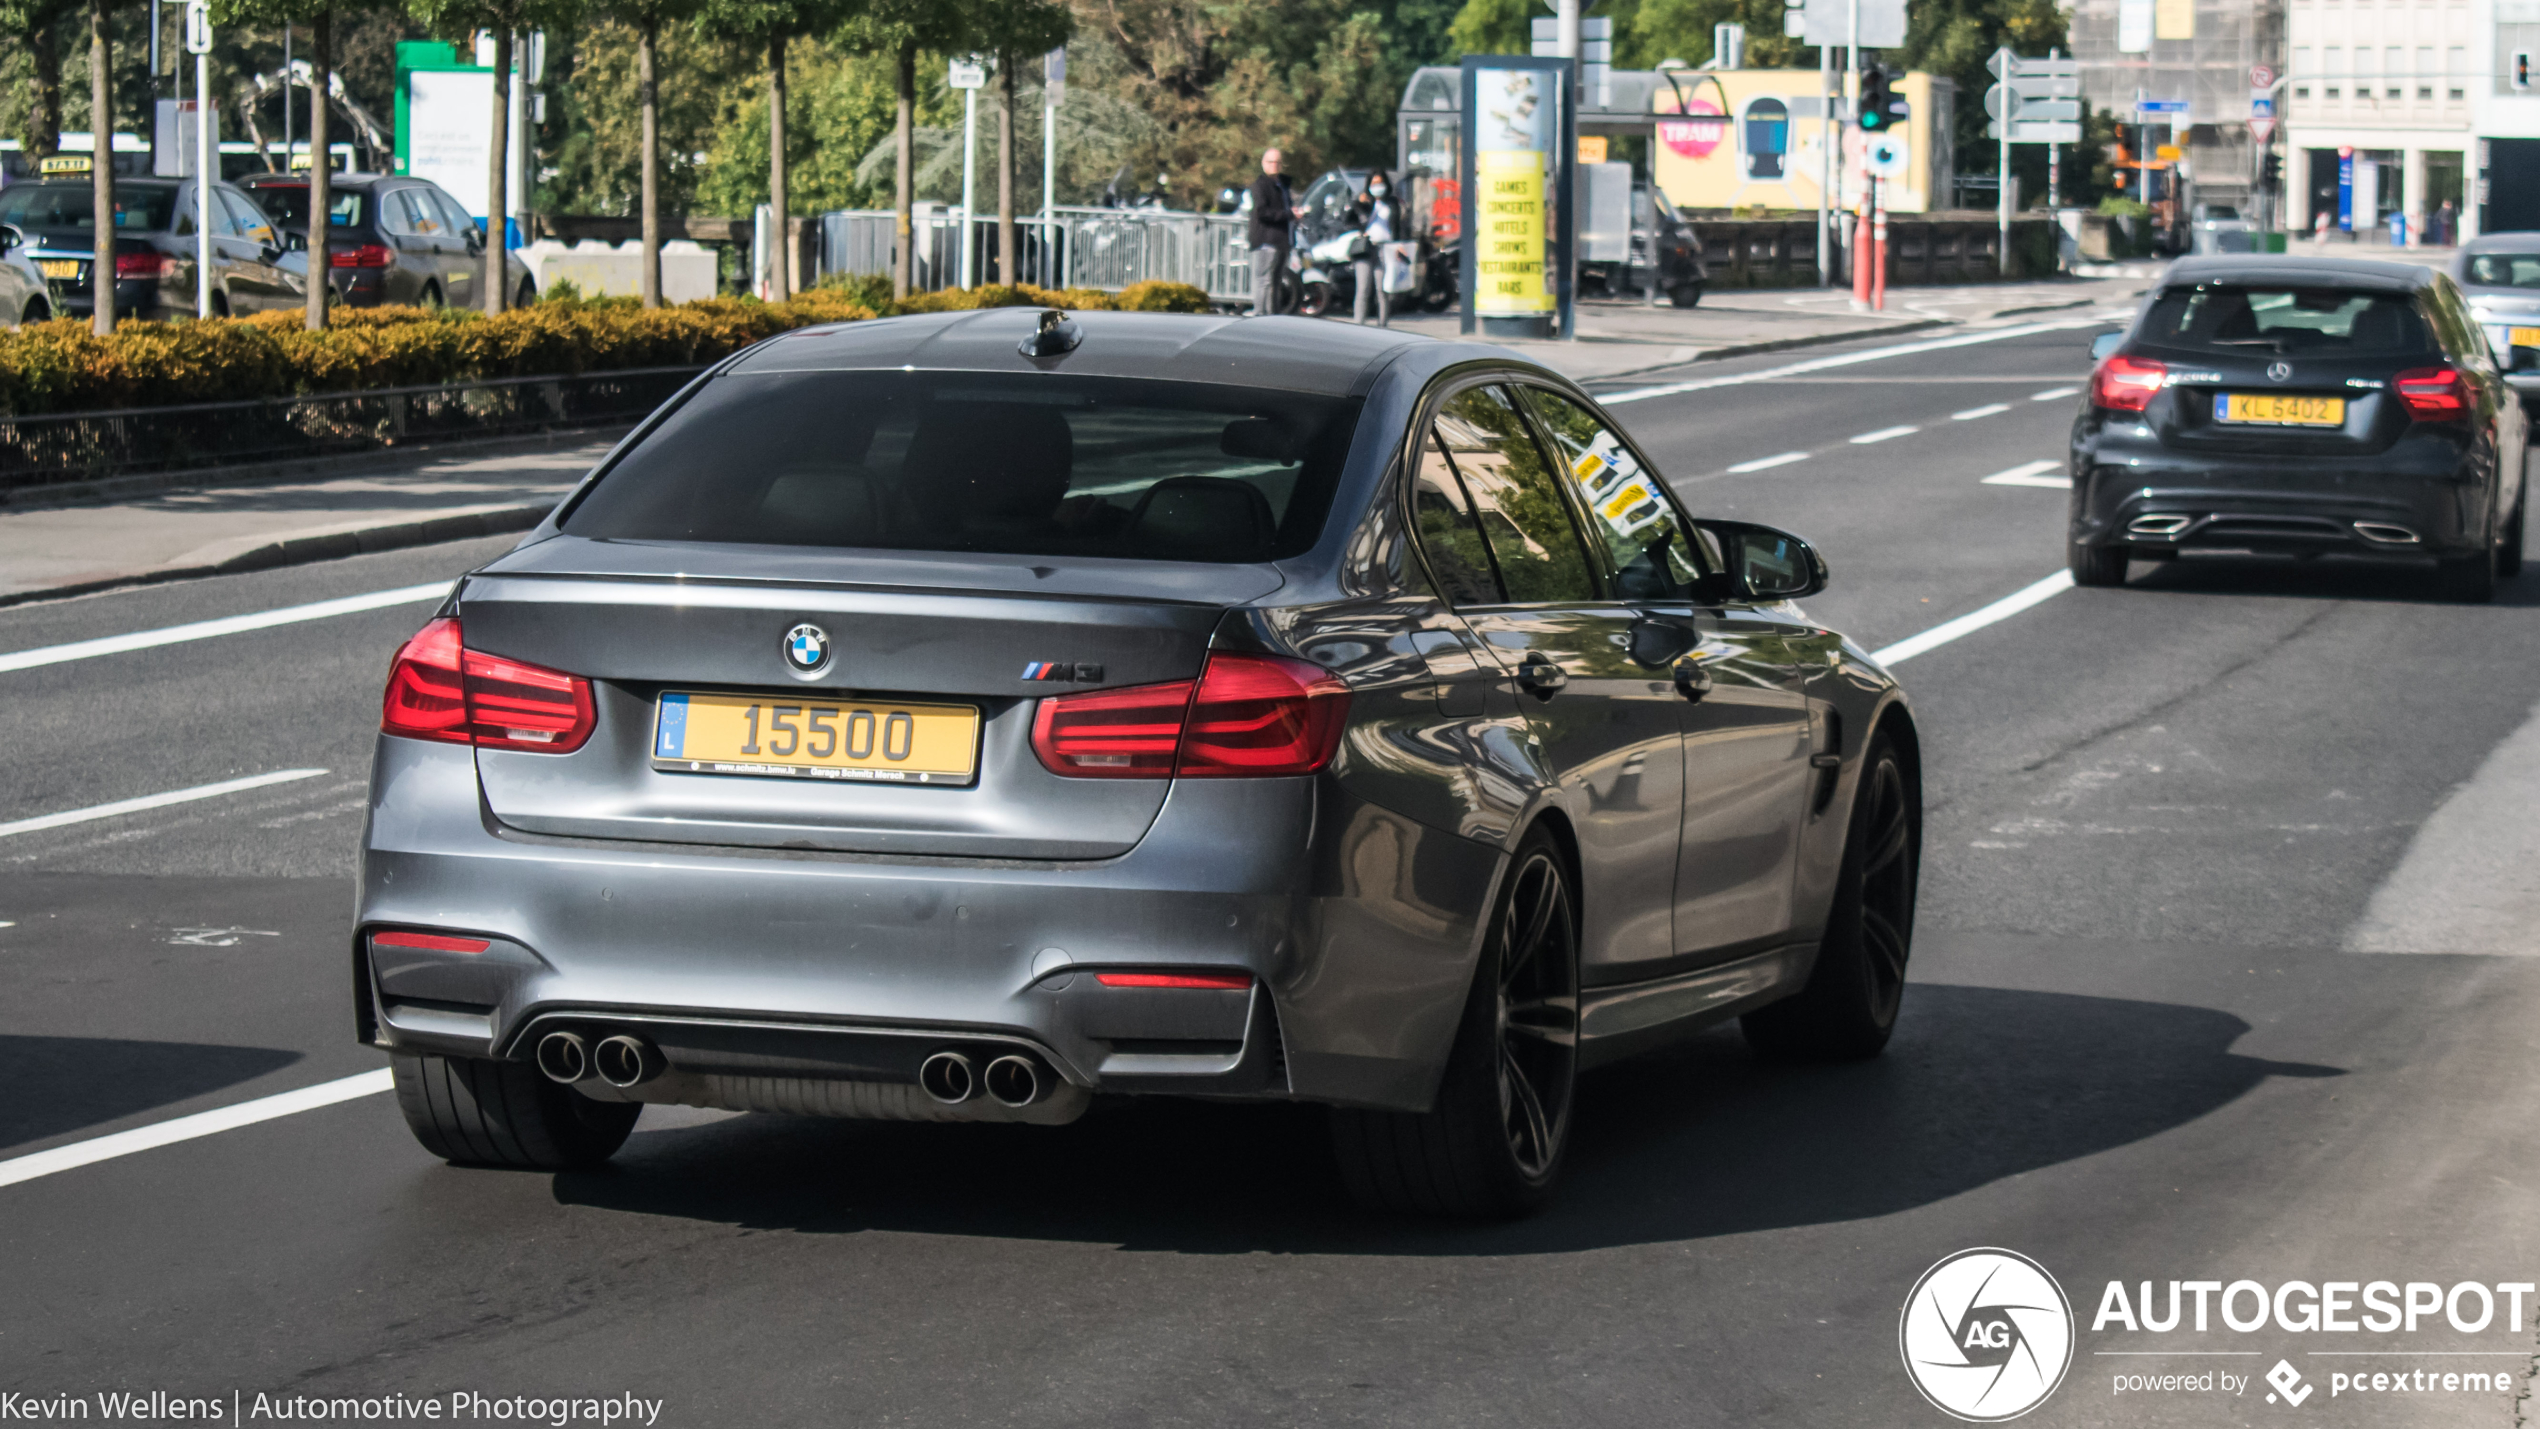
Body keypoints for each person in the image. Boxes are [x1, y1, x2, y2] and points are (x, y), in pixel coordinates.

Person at [1349, 173, 1407, 327]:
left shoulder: (1392, 203)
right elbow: (1349, 220)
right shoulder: (1365, 203)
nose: (1377, 187)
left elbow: (1398, 226)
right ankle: (1358, 324)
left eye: (1380, 183)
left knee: (1382, 289)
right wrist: (1358, 203)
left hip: (1385, 248)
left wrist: (1399, 244)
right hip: (1366, 248)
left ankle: (1382, 324)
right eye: (1374, 183)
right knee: (1362, 289)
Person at [1248, 149, 1294, 316]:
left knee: (1276, 281)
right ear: (1263, 164)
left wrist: (1295, 214)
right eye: (1270, 162)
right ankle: (1260, 315)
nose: (1274, 166)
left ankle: (1273, 317)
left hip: (1281, 240)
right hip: (1266, 240)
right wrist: (1290, 214)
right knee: (1263, 280)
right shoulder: (1260, 185)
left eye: (1277, 162)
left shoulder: (1283, 185)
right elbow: (1262, 212)